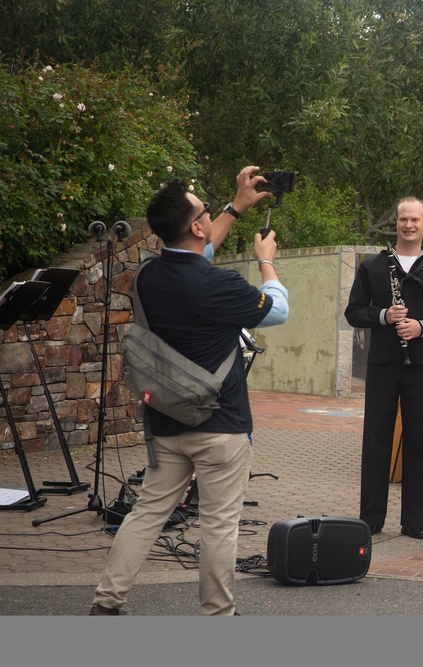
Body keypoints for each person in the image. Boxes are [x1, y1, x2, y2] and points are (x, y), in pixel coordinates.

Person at [90, 166, 289, 616]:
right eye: (205, 209)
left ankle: (105, 603)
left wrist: (237, 207)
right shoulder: (219, 285)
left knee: (145, 515)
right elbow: (276, 311)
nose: (208, 214)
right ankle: (217, 617)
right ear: (197, 226)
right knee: (219, 525)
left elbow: (200, 249)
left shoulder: (147, 275)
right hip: (221, 423)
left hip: (166, 419)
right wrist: (266, 260)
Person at [345, 197, 423, 539]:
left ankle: (416, 521)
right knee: (376, 439)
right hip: (383, 363)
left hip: (421, 364)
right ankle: (371, 518)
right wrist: (384, 316)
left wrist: (421, 327)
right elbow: (354, 312)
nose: (408, 225)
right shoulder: (373, 267)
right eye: (402, 219)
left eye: (415, 220)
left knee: (419, 441)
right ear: (396, 223)